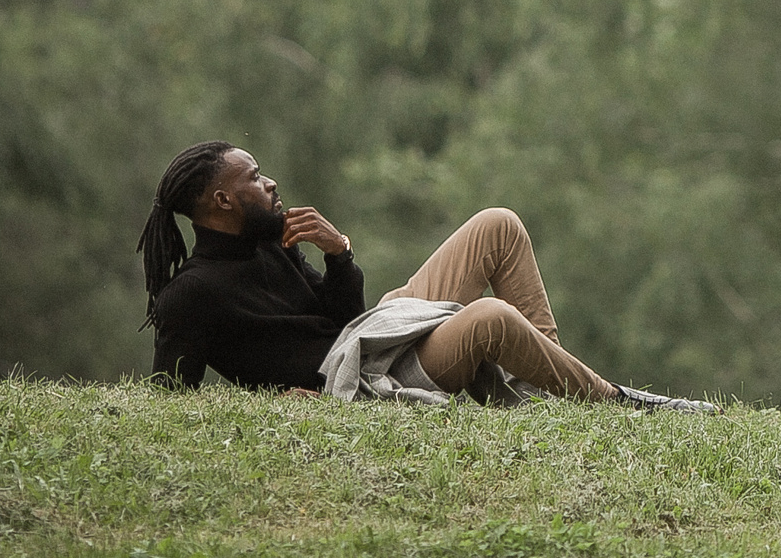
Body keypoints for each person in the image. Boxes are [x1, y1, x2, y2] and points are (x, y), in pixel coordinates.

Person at [138, 140, 712, 412]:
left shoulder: (271, 240)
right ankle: (617, 403)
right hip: (358, 382)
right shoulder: (190, 295)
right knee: (490, 318)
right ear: (222, 200)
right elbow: (172, 403)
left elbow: (335, 318)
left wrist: (338, 253)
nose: (270, 184)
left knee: (498, 226)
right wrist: (283, 402)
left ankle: (552, 388)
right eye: (255, 178)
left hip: (365, 338)